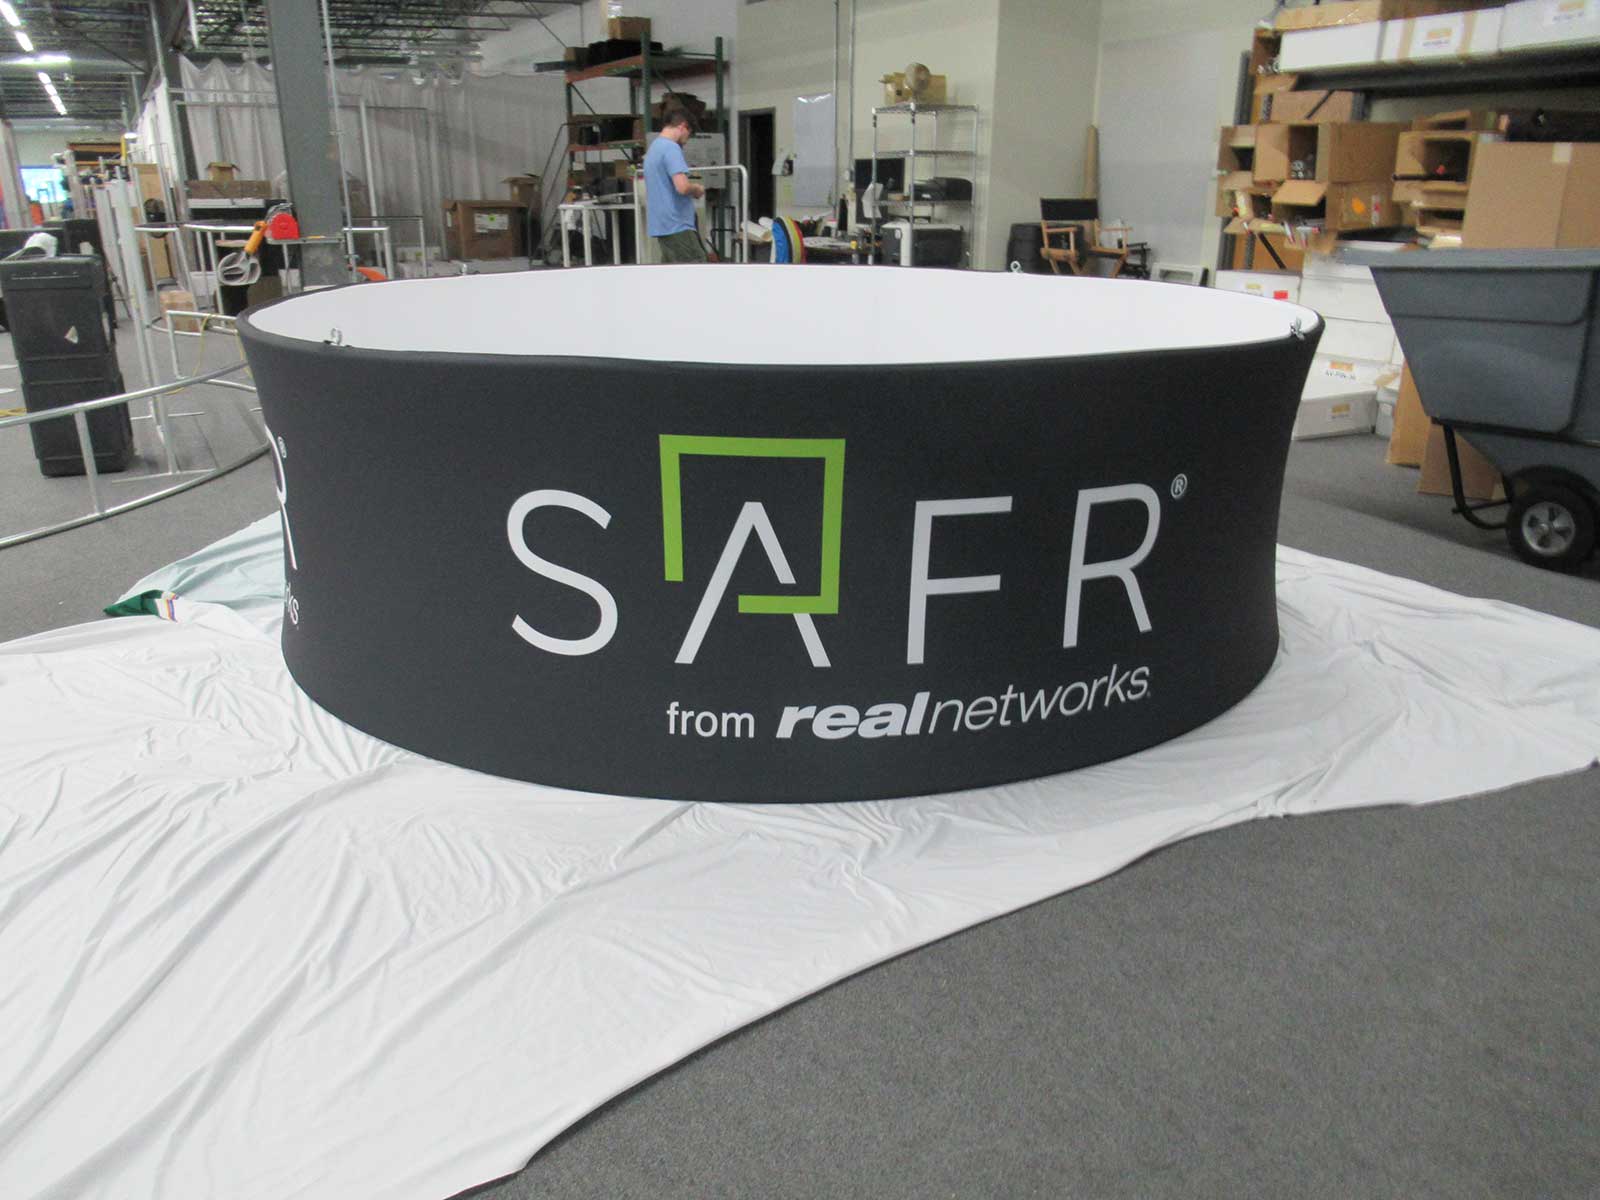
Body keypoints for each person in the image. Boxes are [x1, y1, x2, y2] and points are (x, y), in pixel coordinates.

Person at [643, 107, 707, 263]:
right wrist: (697, 189)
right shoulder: (671, 148)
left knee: (671, 273)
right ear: (683, 126)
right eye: (689, 134)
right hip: (677, 224)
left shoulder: (654, 148)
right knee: (697, 267)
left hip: (662, 225)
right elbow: (682, 187)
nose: (687, 140)